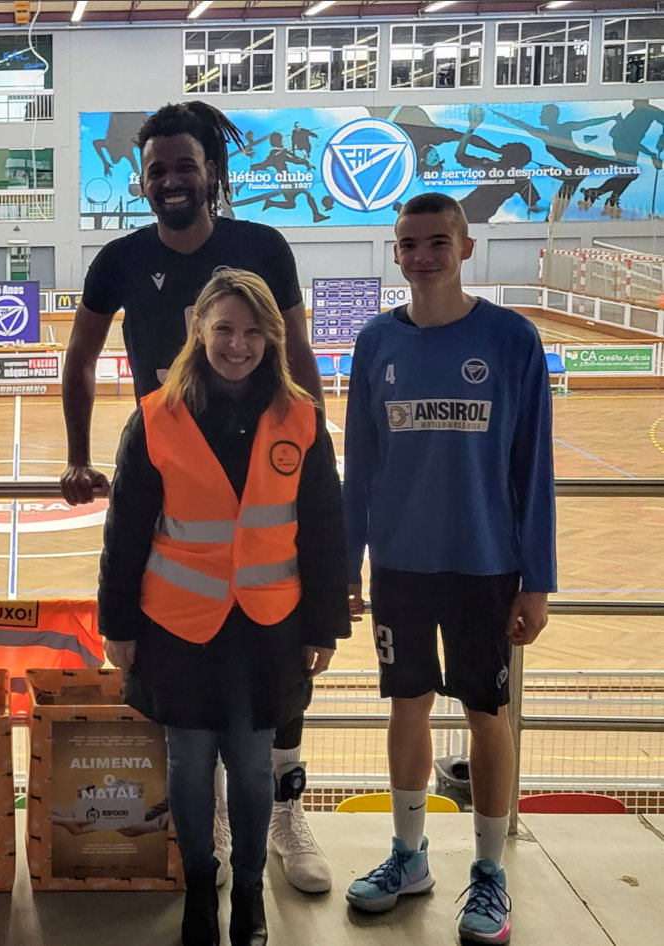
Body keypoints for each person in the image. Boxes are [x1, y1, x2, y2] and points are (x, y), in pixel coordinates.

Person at [61, 101, 334, 895]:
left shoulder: (262, 246)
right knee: (191, 665)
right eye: (157, 169)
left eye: (185, 165)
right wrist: (78, 457)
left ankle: (283, 814)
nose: (171, 180)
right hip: (177, 485)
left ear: (211, 171)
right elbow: (78, 358)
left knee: (279, 660)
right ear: (140, 179)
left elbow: (298, 355)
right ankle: (211, 817)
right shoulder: (118, 259)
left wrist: (313, 451)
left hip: (264, 474)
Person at [100, 269, 347, 946]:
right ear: (199, 332)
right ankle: (199, 889)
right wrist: (117, 625)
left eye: (252, 331)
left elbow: (324, 528)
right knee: (187, 764)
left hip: (268, 629)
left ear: (272, 338)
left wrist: (324, 625)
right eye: (224, 329)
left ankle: (248, 892)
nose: (237, 345)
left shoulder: (302, 418)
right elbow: (125, 533)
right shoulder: (154, 417)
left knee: (251, 763)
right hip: (177, 627)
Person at [342, 193, 556, 946]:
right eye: (409, 244)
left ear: (465, 248)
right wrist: (347, 566)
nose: (422, 256)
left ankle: (490, 872)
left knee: (485, 714)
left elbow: (534, 468)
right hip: (399, 563)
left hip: (484, 564)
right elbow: (359, 466)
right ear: (396, 252)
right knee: (406, 707)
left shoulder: (511, 339)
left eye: (437, 242)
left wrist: (536, 579)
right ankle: (409, 857)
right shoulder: (375, 342)